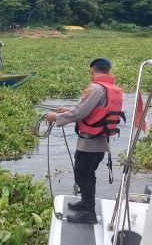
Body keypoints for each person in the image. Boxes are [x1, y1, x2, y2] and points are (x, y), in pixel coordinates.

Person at [45, 58, 123, 224]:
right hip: (101, 141)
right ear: (108, 71)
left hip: (89, 142)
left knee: (82, 174)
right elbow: (90, 110)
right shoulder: (111, 88)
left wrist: (56, 117)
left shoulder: (95, 88)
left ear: (92, 70)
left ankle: (88, 212)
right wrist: (68, 109)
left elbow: (79, 114)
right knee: (89, 174)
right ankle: (86, 203)